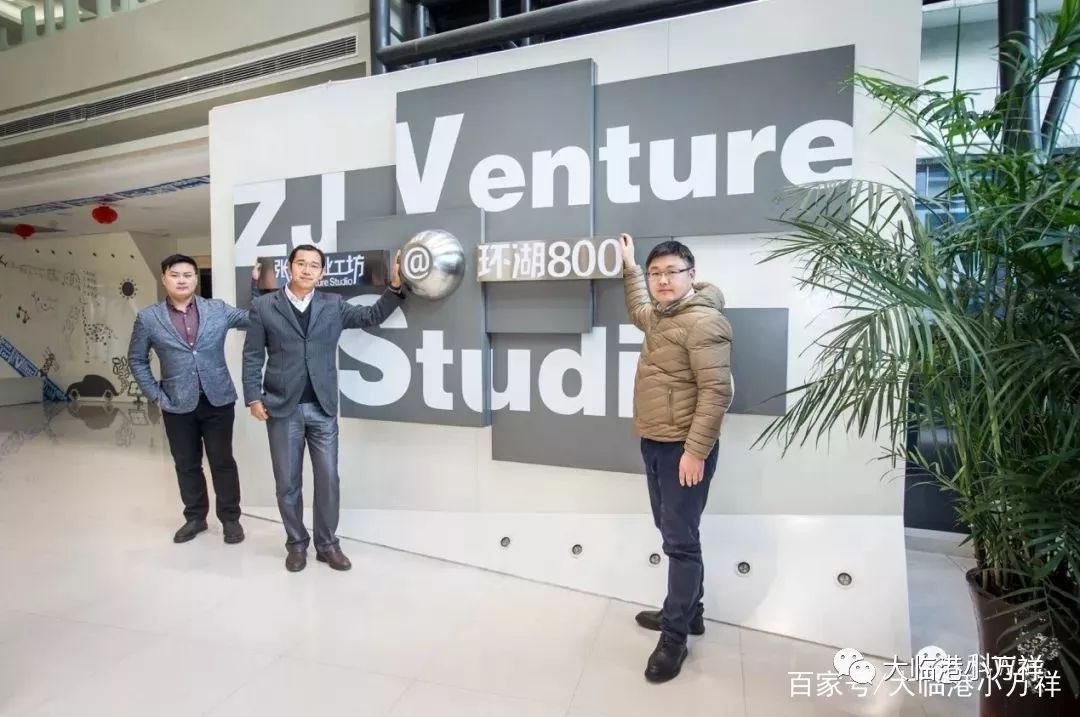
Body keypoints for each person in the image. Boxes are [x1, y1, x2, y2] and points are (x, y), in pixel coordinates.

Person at [242, 244, 406, 573]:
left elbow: (370, 316)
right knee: (287, 483)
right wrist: (253, 397)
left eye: (314, 265)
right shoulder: (263, 306)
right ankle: (296, 544)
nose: (307, 270)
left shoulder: (332, 304)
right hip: (282, 407)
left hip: (322, 407)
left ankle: (328, 545)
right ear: (289, 267)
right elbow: (253, 355)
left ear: (322, 273)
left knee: (328, 479)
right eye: (301, 263)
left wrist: (395, 287)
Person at [619, 233, 734, 683]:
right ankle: (690, 612)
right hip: (655, 441)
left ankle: (674, 637)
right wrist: (630, 266)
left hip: (683, 450)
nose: (662, 280)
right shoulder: (662, 316)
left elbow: (716, 393)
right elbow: (637, 309)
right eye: (655, 274)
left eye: (672, 272)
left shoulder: (704, 322)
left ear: (692, 275)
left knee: (680, 543)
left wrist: (695, 451)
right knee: (673, 533)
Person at [128, 254, 252, 545]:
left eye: (187, 275)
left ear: (196, 278)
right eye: (175, 275)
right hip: (176, 403)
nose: (181, 280)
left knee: (222, 461)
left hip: (218, 399)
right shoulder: (148, 318)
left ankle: (230, 519)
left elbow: (253, 318)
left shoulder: (217, 309)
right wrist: (155, 394)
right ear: (164, 279)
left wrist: (257, 287)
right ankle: (195, 518)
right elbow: (136, 359)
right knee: (186, 463)